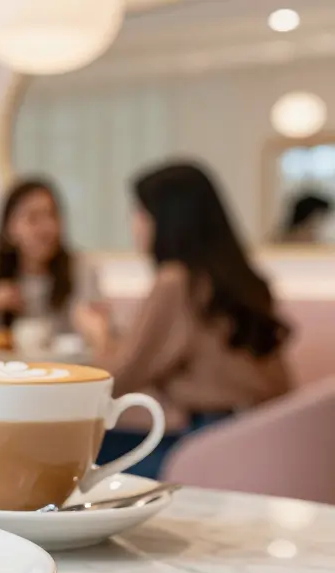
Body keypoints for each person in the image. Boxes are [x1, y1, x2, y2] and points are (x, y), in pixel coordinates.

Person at [75, 161, 293, 479]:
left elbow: (115, 379)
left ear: (165, 220)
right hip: (263, 440)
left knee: (75, 456)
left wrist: (98, 333)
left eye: (139, 213)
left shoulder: (176, 282)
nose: (134, 225)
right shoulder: (240, 279)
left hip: (214, 445)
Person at [0, 178, 103, 334]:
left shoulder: (81, 270)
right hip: (4, 359)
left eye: (52, 216)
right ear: (9, 229)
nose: (47, 228)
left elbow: (99, 337)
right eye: (33, 219)